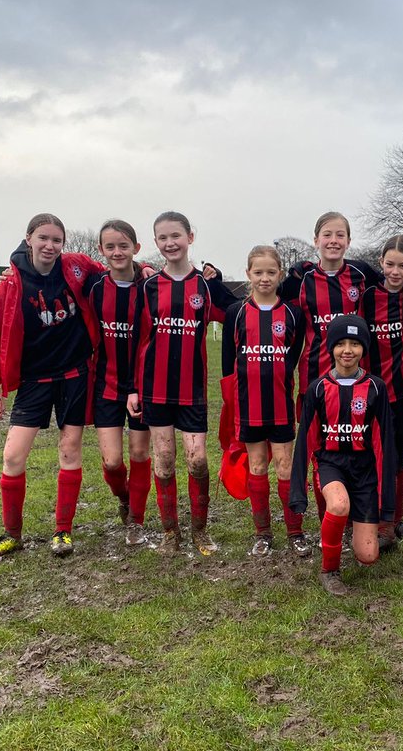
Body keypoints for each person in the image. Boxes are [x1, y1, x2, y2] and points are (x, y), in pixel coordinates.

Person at [0, 213, 105, 560]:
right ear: (28, 238)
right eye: (43, 238)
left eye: (57, 240)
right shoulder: (10, 284)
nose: (50, 246)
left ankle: (63, 531)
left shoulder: (75, 267)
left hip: (74, 376)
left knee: (69, 450)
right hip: (33, 381)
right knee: (13, 456)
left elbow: (112, 269)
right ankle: (11, 535)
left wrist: (145, 271)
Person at [127, 211, 238, 555]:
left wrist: (218, 282)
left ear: (190, 237)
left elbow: (237, 314)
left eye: (176, 235)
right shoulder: (147, 287)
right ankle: (169, 533)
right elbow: (137, 339)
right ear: (156, 243)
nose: (170, 243)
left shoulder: (204, 286)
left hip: (192, 390)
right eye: (162, 238)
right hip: (155, 389)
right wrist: (133, 388)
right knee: (163, 458)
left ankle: (200, 532)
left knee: (198, 460)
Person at [279, 212, 383, 522]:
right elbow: (265, 294)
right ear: (316, 240)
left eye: (340, 235)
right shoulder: (302, 280)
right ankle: (331, 518)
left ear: (348, 241)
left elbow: (396, 280)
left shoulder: (361, 277)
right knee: (320, 447)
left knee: (358, 443)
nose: (333, 240)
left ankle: (368, 516)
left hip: (358, 379)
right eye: (327, 234)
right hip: (315, 378)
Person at [289, 315, 396, 596]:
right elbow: (305, 442)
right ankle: (330, 571)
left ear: (364, 349)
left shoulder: (375, 388)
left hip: (364, 469)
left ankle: (357, 532)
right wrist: (297, 492)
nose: (347, 350)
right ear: (331, 348)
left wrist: (387, 500)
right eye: (341, 344)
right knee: (337, 505)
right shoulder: (317, 389)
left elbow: (384, 442)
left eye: (355, 344)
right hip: (331, 463)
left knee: (368, 556)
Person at [221, 245, 311, 557]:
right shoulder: (236, 314)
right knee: (257, 465)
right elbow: (227, 366)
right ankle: (263, 533)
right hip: (249, 408)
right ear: (248, 274)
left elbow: (294, 353)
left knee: (285, 466)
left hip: (281, 405)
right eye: (258, 272)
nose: (264, 278)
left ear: (280, 275)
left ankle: (296, 532)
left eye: (271, 272)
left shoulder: (291, 314)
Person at [361, 234, 403, 551]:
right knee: (374, 455)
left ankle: (395, 520)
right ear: (381, 263)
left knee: (398, 455)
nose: (395, 271)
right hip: (373, 391)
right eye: (390, 264)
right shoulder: (366, 298)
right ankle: (374, 520)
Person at [88, 219, 155, 545]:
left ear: (136, 249)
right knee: (113, 460)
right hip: (106, 386)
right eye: (110, 246)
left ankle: (136, 522)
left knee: (139, 453)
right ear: (101, 250)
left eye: (123, 246)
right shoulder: (95, 289)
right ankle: (125, 498)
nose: (117, 252)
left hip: (141, 386)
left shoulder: (149, 288)